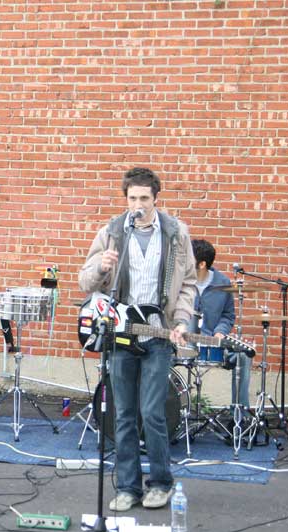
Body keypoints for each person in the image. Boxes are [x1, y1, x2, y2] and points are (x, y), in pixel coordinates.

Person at [78, 167, 197, 512]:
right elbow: (85, 281)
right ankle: (128, 486)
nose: (138, 205)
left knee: (152, 412)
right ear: (126, 199)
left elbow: (188, 282)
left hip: (158, 334)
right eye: (132, 198)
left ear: (156, 199)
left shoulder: (175, 233)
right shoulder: (113, 231)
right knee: (124, 413)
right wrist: (101, 266)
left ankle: (161, 483)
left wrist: (182, 320)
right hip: (120, 335)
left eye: (145, 198)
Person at [190, 239, 248, 407]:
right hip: (183, 343)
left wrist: (220, 332)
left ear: (202, 264)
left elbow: (228, 315)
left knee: (242, 356)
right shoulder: (180, 281)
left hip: (212, 343)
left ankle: (238, 415)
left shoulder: (222, 283)